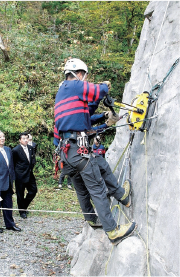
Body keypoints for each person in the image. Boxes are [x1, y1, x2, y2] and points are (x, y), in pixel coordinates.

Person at [54, 58, 137, 245]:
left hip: (65, 154)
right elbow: (98, 91)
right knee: (98, 188)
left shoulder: (61, 94)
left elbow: (84, 114)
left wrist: (104, 117)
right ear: (80, 73)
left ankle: (96, 215)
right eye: (85, 76)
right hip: (78, 149)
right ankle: (113, 230)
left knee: (83, 190)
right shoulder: (75, 85)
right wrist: (104, 87)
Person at [0, 130, 21, 233]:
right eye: (0, 137)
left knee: (8, 204)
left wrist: (13, 179)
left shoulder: (8, 150)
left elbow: (11, 166)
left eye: (3, 136)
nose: (2, 138)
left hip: (8, 182)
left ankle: (10, 224)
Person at [12, 132, 37, 219]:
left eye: (27, 138)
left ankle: (24, 206)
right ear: (20, 140)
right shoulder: (15, 150)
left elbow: (32, 159)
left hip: (29, 174)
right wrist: (16, 174)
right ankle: (22, 211)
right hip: (20, 175)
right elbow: (13, 163)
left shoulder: (31, 148)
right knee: (20, 194)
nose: (26, 140)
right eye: (23, 138)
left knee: (33, 190)